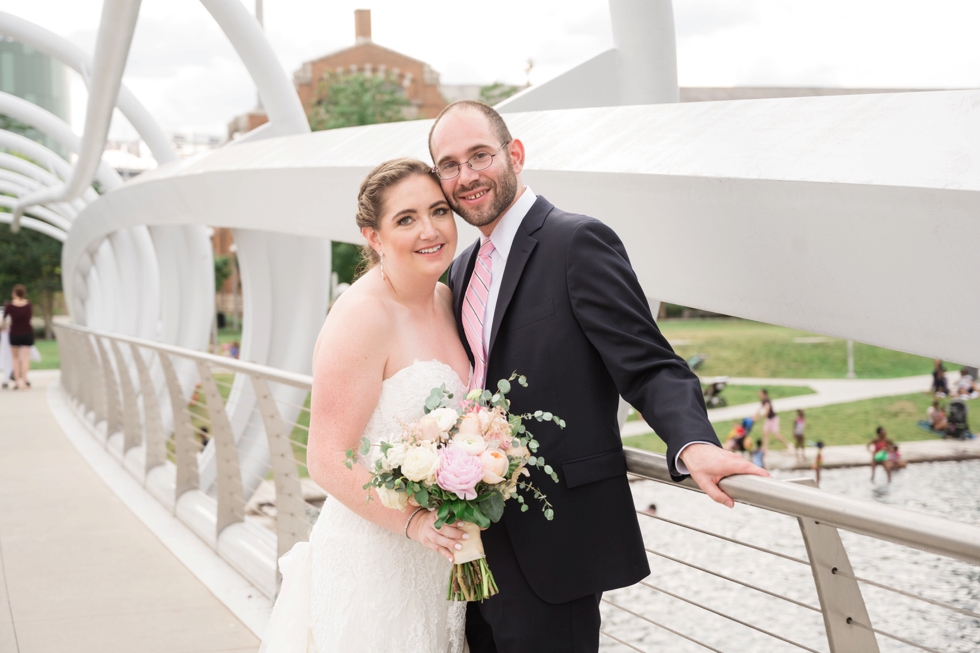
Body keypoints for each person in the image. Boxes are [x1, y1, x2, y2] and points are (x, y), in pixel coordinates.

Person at [429, 100, 767, 653]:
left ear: (514, 154)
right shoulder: (462, 268)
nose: (465, 177)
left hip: (556, 536)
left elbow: (648, 361)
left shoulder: (576, 242)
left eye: (479, 156)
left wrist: (693, 442)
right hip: (476, 537)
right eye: (448, 164)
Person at [262, 159, 472, 652]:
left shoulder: (446, 299)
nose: (430, 230)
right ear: (372, 236)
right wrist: (415, 523)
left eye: (439, 211)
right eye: (405, 219)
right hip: (376, 560)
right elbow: (327, 459)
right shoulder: (362, 316)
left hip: (436, 560)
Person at [2, 285, 33, 390]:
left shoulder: (9, 306)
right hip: (27, 333)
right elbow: (29, 318)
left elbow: (4, 321)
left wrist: (3, 328)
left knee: (15, 359)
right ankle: (24, 382)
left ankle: (16, 382)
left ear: (14, 293)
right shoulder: (28, 305)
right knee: (25, 359)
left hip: (14, 333)